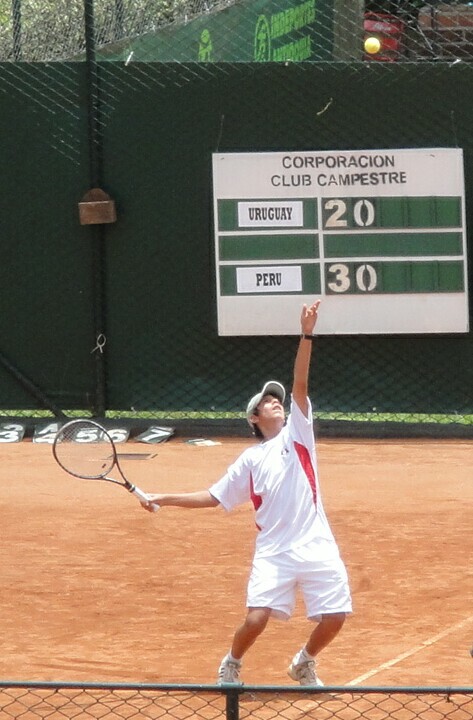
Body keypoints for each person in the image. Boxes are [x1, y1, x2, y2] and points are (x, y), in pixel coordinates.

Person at [141, 300, 352, 686]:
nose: (275, 402)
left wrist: (307, 334)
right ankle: (232, 663)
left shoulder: (298, 433)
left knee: (335, 617)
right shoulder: (250, 459)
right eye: (266, 402)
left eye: (277, 399)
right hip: (274, 551)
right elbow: (214, 496)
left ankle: (304, 662)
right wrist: (163, 497)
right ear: (254, 418)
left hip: (317, 543)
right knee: (256, 618)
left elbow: (300, 384)